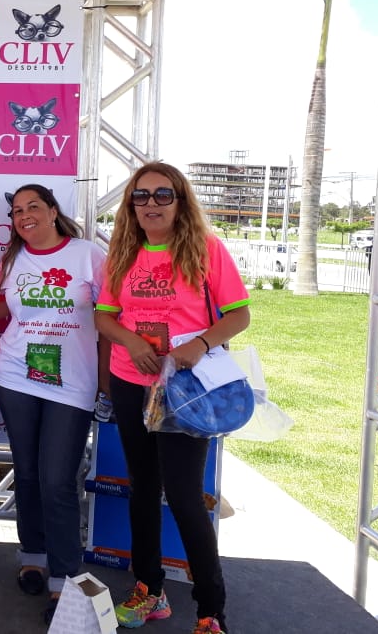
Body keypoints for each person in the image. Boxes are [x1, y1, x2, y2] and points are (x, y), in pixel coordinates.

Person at [94, 162, 250, 634]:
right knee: (142, 489)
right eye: (140, 196)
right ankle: (150, 590)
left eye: (163, 195)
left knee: (183, 497)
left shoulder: (205, 249)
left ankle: (211, 612)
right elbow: (104, 316)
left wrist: (199, 344)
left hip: (185, 391)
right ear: (130, 206)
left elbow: (239, 315)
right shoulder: (122, 253)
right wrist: (131, 341)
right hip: (131, 384)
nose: (151, 204)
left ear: (180, 201)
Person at [0, 184, 107, 621]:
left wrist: (107, 382)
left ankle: (65, 577)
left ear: (54, 211)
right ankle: (33, 556)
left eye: (33, 206)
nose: (24, 215)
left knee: (57, 480)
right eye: (17, 210)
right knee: (27, 473)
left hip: (71, 383)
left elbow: (112, 318)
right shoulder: (12, 259)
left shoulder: (88, 255)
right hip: (17, 376)